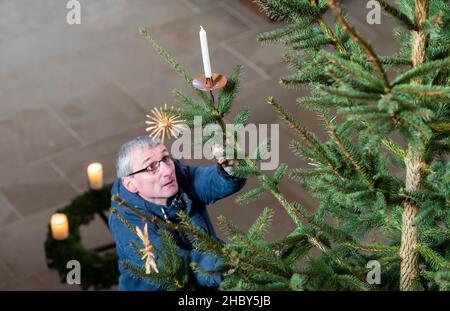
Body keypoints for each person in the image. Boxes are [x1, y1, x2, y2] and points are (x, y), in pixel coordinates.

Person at [109, 135, 246, 290]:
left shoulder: (176, 174)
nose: (167, 170)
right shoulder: (127, 221)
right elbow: (172, 264)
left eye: (166, 158)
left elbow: (209, 182)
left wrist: (229, 168)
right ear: (131, 184)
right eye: (150, 167)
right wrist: (225, 264)